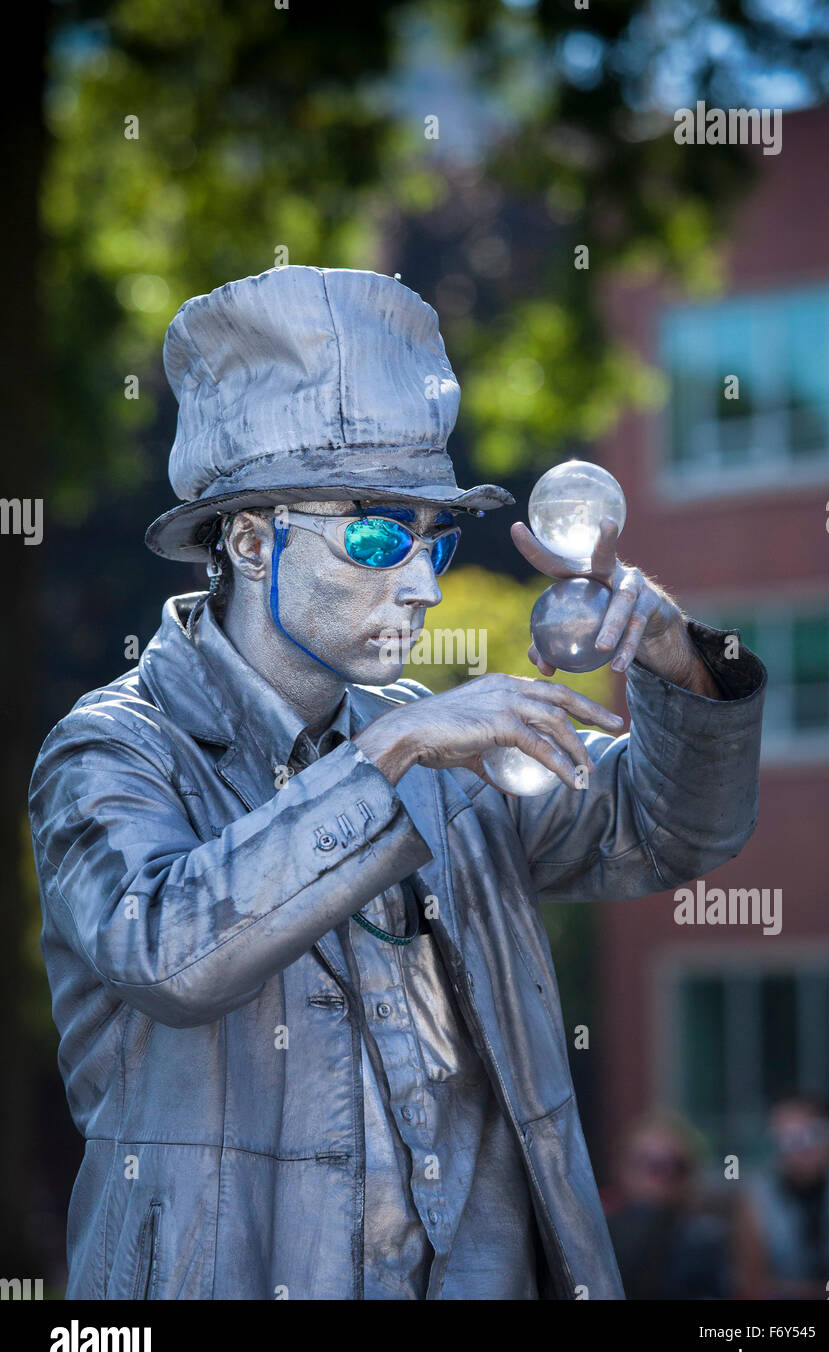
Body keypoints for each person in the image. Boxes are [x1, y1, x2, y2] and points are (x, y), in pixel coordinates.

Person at [29, 265, 766, 1300]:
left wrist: (677, 656)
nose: (419, 582)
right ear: (249, 539)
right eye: (377, 534)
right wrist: (396, 757)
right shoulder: (114, 749)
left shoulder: (438, 743)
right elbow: (166, 952)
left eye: (436, 538)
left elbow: (664, 832)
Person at [733, 1095, 829, 1300]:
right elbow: (752, 1284)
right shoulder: (757, 1197)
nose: (801, 1148)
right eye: (787, 1138)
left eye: (812, 1134)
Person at [606, 1112, 730, 1300]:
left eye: (678, 1167)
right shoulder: (600, 1235)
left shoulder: (705, 1241)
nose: (664, 1178)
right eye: (654, 1166)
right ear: (624, 1169)